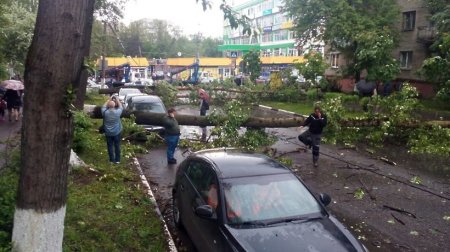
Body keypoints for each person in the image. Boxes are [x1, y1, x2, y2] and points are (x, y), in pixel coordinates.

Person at [101, 96, 123, 164]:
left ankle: (111, 160)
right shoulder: (117, 112)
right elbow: (121, 106)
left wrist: (109, 99)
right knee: (117, 145)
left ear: (108, 106)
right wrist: (117, 99)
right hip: (117, 132)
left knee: (110, 146)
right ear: (114, 106)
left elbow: (103, 106)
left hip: (108, 133)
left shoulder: (104, 112)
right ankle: (117, 160)